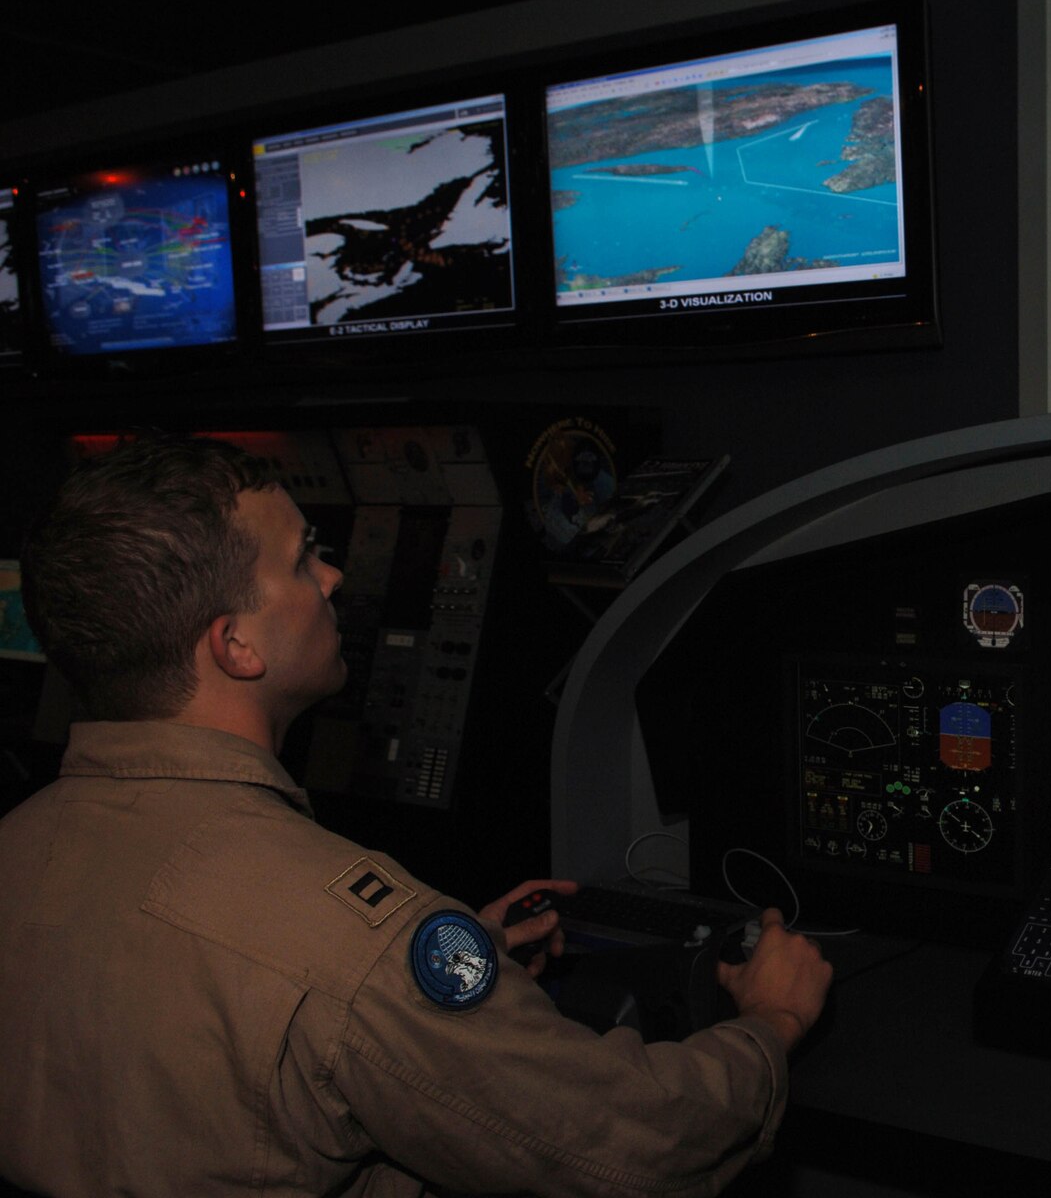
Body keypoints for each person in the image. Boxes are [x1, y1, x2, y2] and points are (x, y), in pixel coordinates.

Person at [0, 436, 832, 1196]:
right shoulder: (351, 940)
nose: (331, 579)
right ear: (236, 647)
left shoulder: (19, 841)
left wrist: (448, 957)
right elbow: (631, 1147)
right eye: (303, 561)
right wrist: (770, 1022)